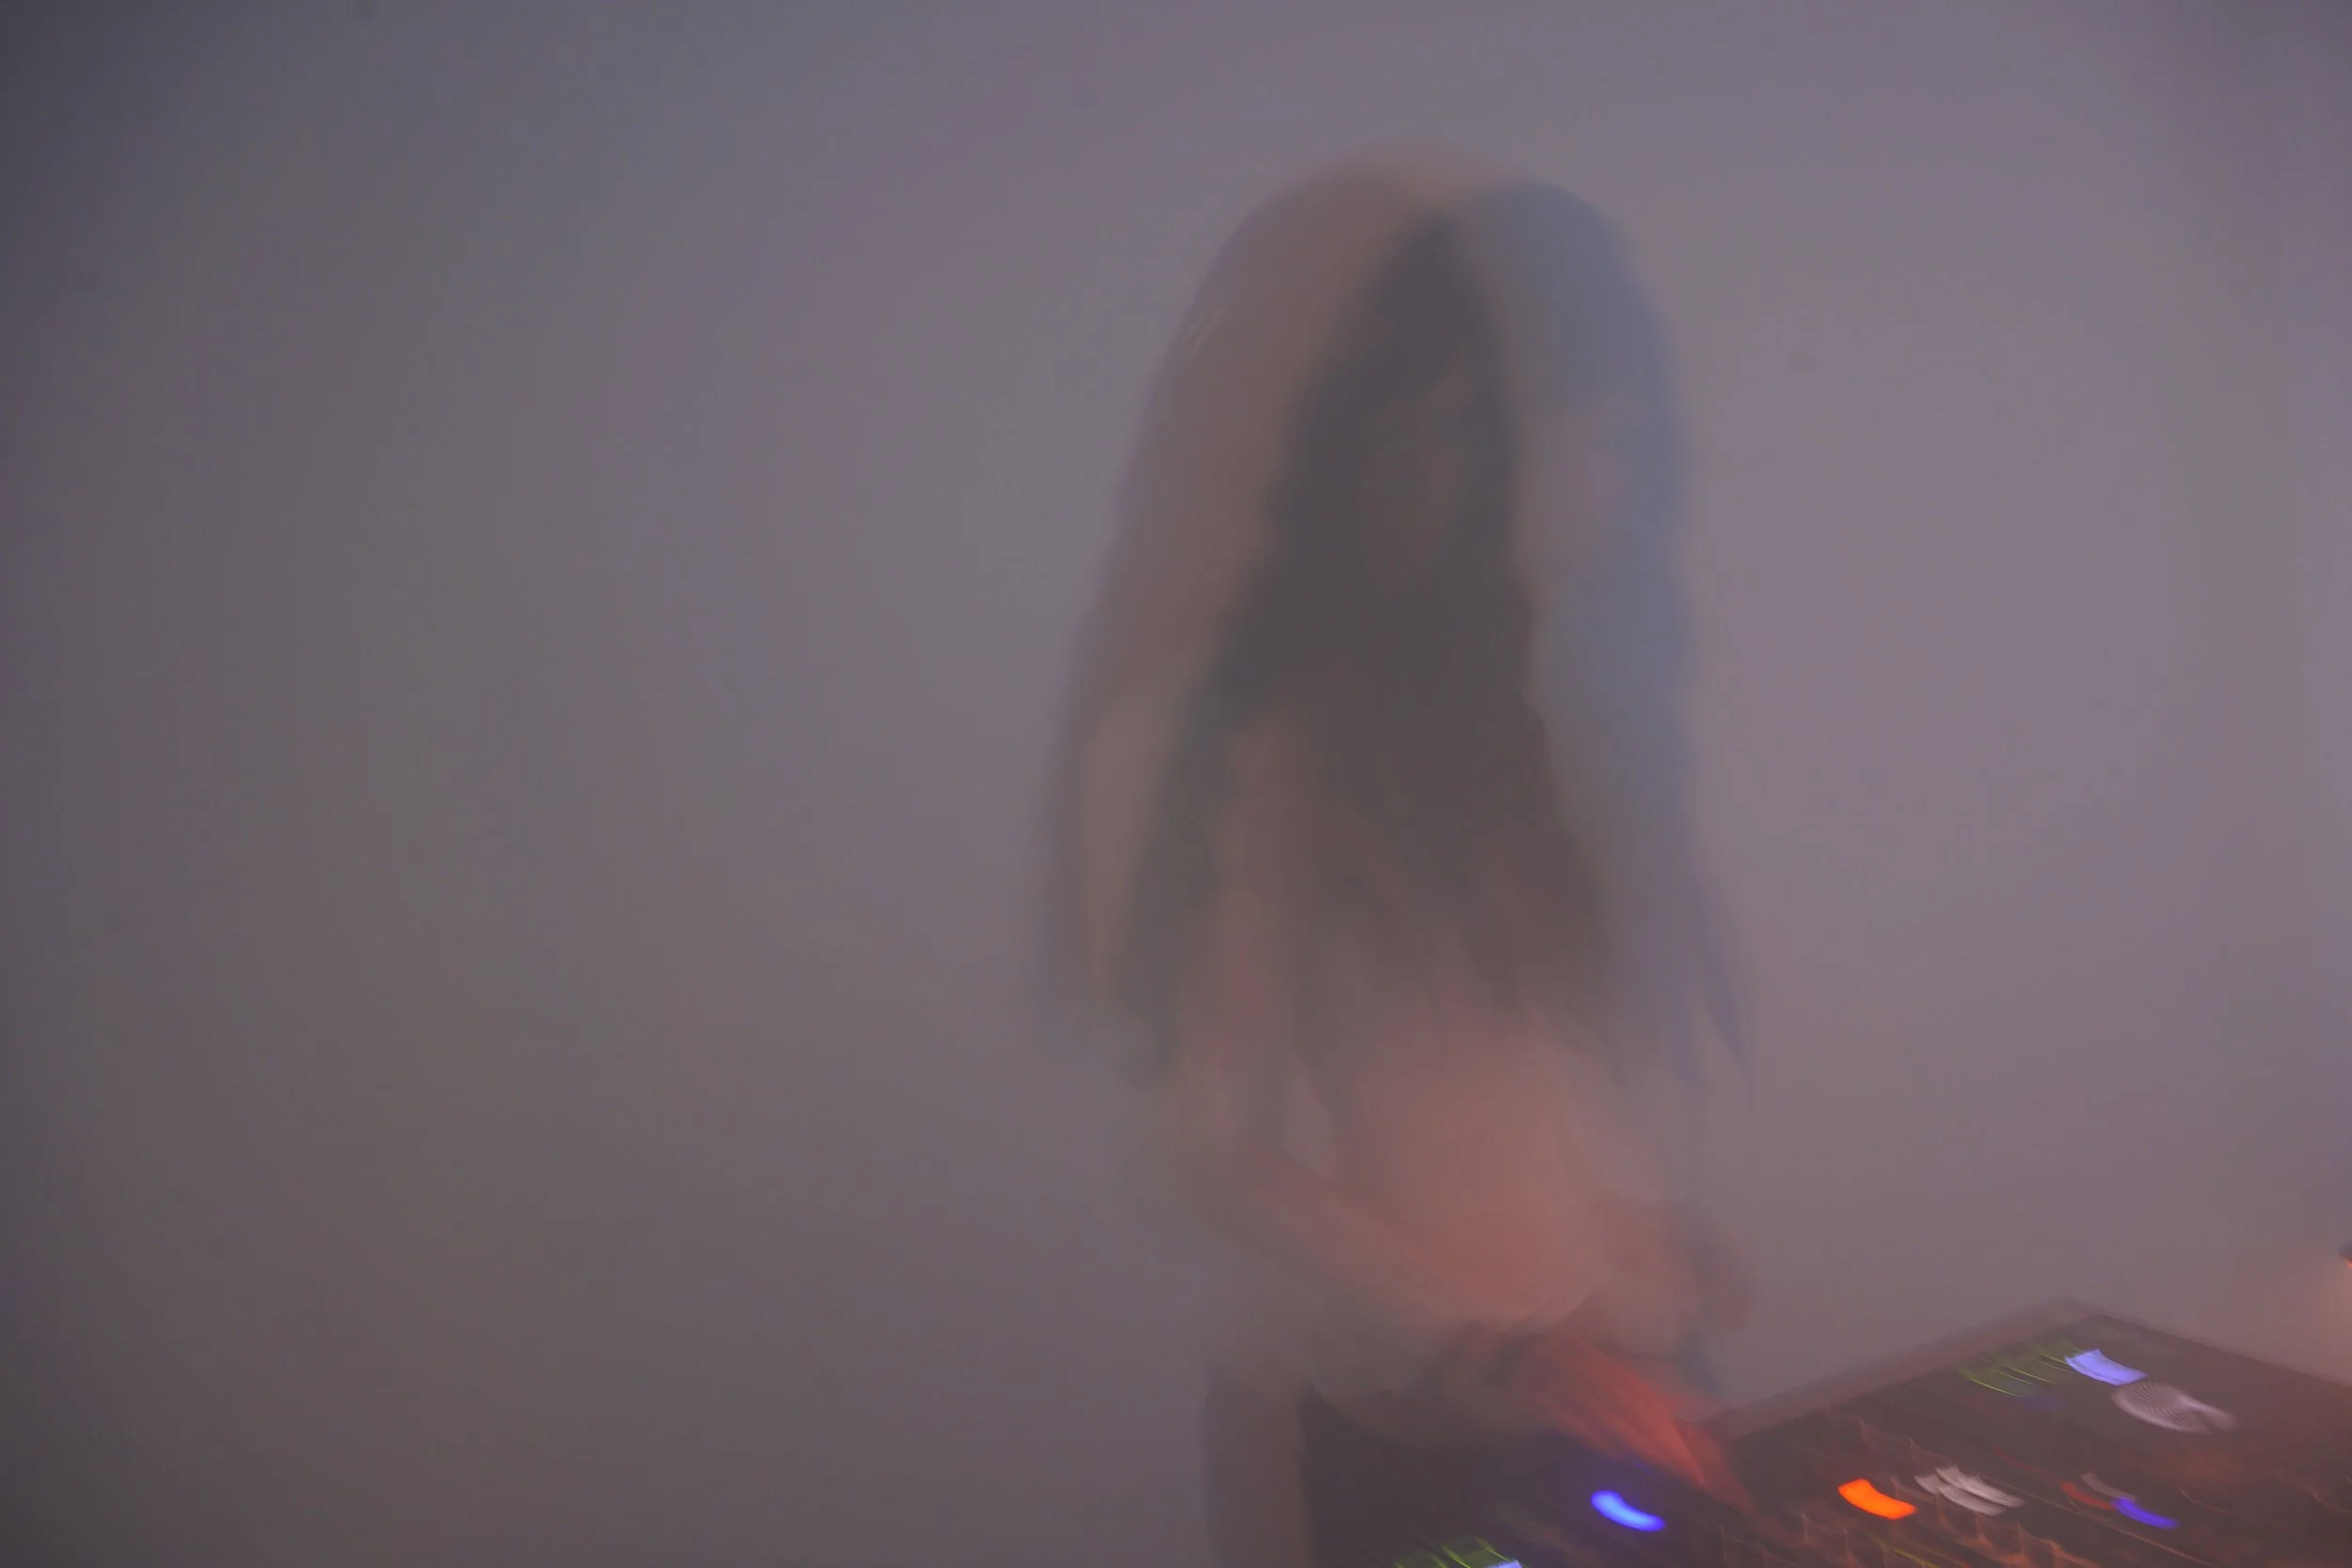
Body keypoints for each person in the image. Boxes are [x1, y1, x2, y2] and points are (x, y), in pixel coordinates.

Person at [1041, 153, 1753, 1568]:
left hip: (1607, 1402)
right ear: (1416, 440)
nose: (1611, 478)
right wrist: (1492, 1339)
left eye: (1619, 433)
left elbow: (1525, 1082)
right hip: (1387, 1436)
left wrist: (1632, 1241)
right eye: (1569, 430)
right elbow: (1208, 1148)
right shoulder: (1217, 744)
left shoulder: (1528, 716)